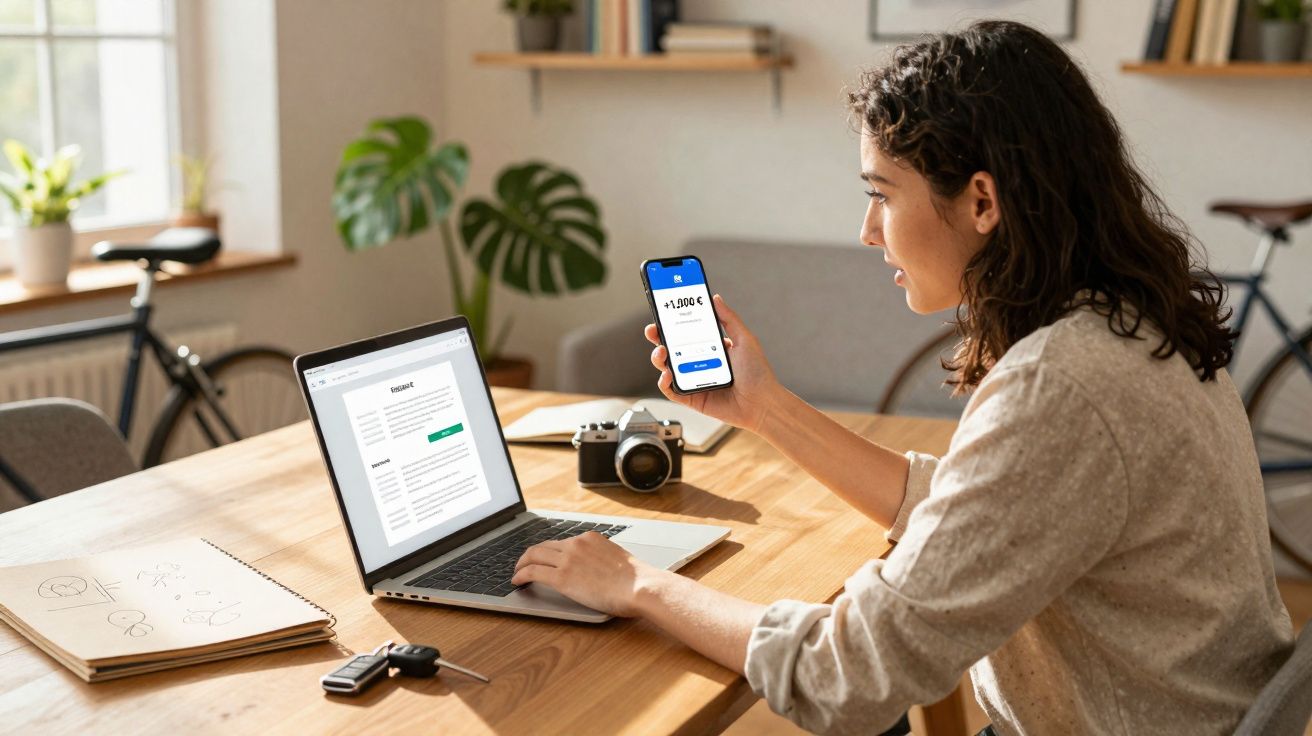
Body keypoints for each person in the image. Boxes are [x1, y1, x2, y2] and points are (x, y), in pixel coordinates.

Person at [511, 20, 1294, 735]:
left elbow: (846, 678)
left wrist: (638, 586)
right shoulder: (1129, 322)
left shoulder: (1065, 383)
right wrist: (766, 407)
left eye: (881, 195)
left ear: (982, 199)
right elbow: (979, 514)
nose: (867, 230)